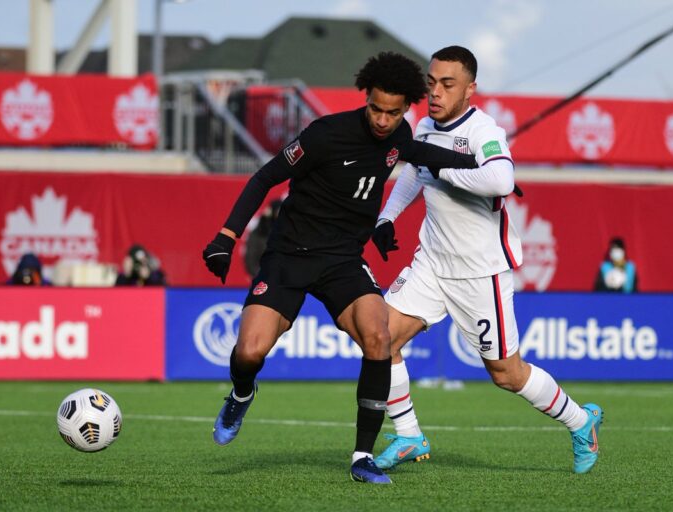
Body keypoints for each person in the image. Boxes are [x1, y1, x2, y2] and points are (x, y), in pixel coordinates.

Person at [201, 51, 479, 485]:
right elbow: (263, 178)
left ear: (406, 107)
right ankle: (241, 393)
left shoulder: (399, 134)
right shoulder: (324, 134)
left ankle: (362, 457)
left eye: (393, 112)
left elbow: (421, 152)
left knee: (378, 336)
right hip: (289, 256)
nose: (383, 121)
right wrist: (225, 236)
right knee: (250, 352)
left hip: (343, 261)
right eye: (376, 109)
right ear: (365, 97)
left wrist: (482, 167)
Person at [371, 46, 603, 474]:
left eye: (447, 84)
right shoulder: (423, 126)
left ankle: (580, 420)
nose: (435, 93)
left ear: (470, 89)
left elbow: (501, 178)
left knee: (506, 374)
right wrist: (387, 217)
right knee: (378, 339)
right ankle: (407, 434)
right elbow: (413, 172)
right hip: (431, 263)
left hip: (479, 273)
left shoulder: (483, 130)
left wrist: (444, 169)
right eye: (431, 83)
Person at [243, 198, 283, 278]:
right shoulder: (259, 232)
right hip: (263, 279)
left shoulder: (288, 230)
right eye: (279, 211)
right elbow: (250, 258)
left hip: (285, 281)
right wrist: (261, 277)